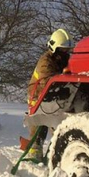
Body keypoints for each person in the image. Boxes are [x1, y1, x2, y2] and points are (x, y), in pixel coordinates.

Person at [24, 29, 74, 160]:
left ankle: (58, 151)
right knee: (39, 124)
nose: (65, 53)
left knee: (56, 124)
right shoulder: (45, 61)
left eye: (67, 50)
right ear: (54, 48)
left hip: (53, 96)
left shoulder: (64, 60)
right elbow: (48, 80)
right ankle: (34, 153)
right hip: (38, 95)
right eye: (62, 50)